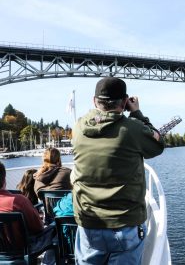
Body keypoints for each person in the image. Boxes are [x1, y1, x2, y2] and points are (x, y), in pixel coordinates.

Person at [71, 77, 164, 264]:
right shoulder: (132, 129)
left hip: (89, 223)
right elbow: (158, 145)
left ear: (94, 101)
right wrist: (137, 113)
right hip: (125, 224)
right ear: (124, 102)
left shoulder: (79, 127)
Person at [0, 161, 56, 264]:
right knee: (55, 229)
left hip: (2, 253)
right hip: (23, 250)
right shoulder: (18, 201)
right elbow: (38, 227)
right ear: (4, 179)